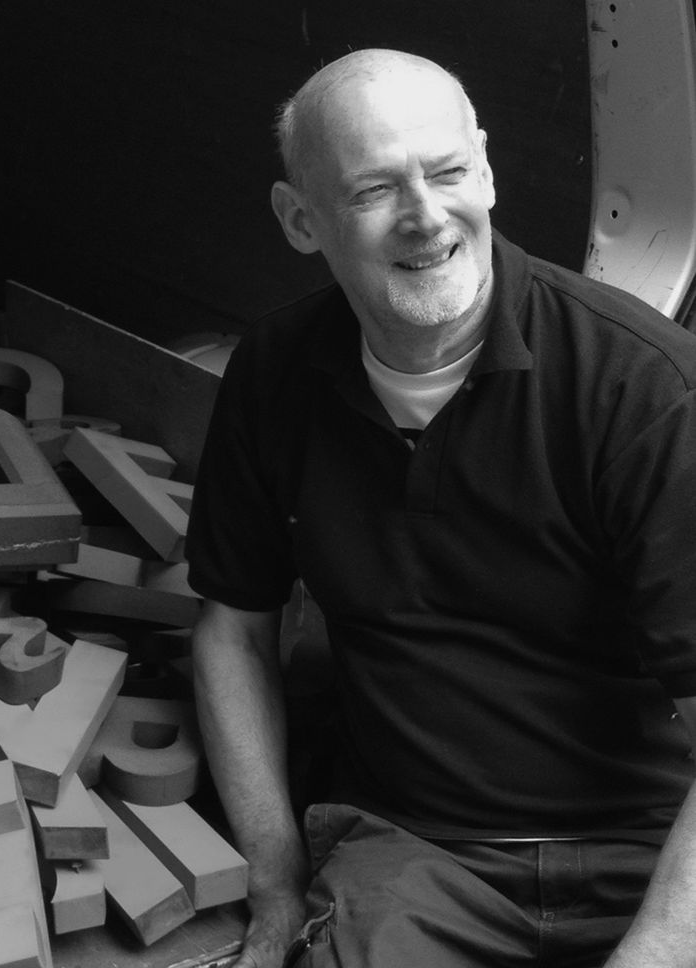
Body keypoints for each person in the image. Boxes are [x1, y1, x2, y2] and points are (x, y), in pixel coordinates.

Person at [184, 47, 696, 968]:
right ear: (301, 220)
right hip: (421, 856)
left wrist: (658, 948)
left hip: (655, 853)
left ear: (488, 172)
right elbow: (234, 632)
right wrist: (272, 888)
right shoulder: (273, 375)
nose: (426, 217)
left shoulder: (642, 388)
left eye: (450, 172)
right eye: (375, 190)